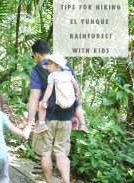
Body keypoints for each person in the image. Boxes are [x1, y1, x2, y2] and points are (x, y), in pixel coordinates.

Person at [24, 40, 88, 183]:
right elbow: (76, 92)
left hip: (46, 118)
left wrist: (29, 124)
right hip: (66, 116)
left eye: (33, 56)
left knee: (45, 153)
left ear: (37, 54)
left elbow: (34, 97)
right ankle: (66, 180)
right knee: (61, 152)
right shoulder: (65, 66)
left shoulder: (37, 70)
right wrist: (75, 114)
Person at [34, 53, 89, 134]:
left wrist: (44, 101)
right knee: (77, 107)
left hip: (58, 102)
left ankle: (42, 124)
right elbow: (75, 85)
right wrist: (76, 93)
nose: (47, 66)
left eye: (49, 64)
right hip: (70, 103)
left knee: (41, 104)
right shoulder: (68, 74)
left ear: (57, 66)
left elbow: (49, 90)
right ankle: (83, 123)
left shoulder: (52, 76)